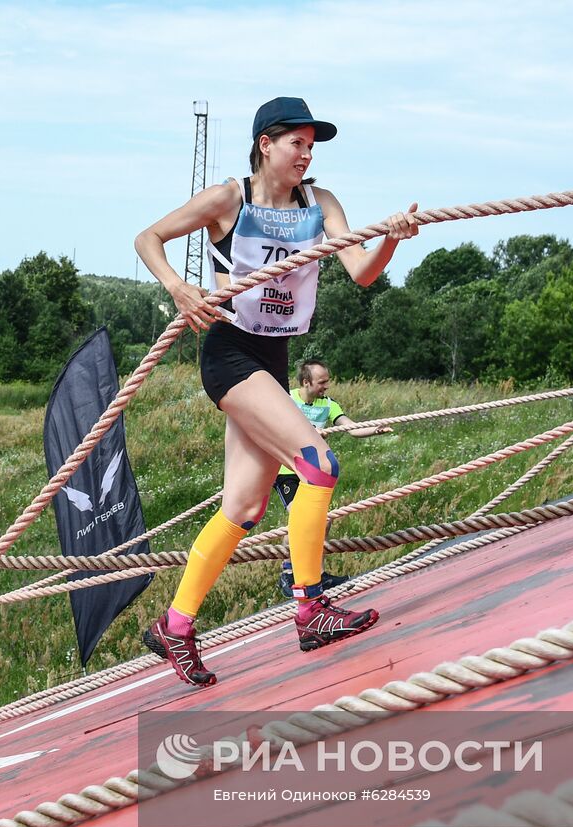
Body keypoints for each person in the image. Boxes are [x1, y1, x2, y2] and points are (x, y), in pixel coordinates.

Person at [134, 96, 418, 687]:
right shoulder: (228, 200)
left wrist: (391, 238)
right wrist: (179, 289)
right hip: (230, 355)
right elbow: (148, 238)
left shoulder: (322, 203)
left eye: (312, 145)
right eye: (297, 142)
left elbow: (362, 272)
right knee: (317, 462)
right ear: (266, 143)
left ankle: (175, 625)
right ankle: (310, 609)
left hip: (273, 357)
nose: (306, 154)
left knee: (243, 507)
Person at [272, 358, 367, 598]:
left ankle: (318, 574)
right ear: (306, 382)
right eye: (322, 382)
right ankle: (288, 572)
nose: (327, 386)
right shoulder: (287, 399)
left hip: (312, 472)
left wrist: (375, 430)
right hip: (286, 472)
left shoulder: (328, 404)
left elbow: (350, 427)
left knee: (323, 522)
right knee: (299, 517)